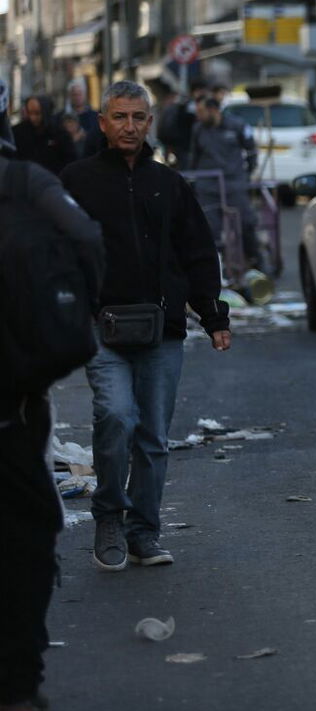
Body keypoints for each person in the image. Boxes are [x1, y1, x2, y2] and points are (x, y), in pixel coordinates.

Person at [61, 80, 232, 572]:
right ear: (103, 122)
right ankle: (109, 517)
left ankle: (143, 533)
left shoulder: (169, 184)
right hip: (102, 328)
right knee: (115, 417)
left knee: (153, 436)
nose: (129, 126)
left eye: (138, 117)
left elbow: (198, 253)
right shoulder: (77, 180)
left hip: (163, 329)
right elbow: (56, 252)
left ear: (149, 123)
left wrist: (213, 315)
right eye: (120, 117)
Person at [0, 93, 104, 711]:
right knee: (24, 538)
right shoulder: (22, 182)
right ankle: (14, 687)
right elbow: (86, 243)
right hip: (11, 401)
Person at [189, 95, 261, 270]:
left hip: (233, 184)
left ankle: (255, 261)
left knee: (246, 223)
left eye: (201, 112)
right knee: (210, 230)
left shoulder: (237, 126)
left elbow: (251, 150)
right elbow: (194, 158)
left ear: (213, 110)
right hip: (208, 187)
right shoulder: (198, 129)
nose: (198, 116)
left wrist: (247, 173)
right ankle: (216, 268)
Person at [13, 95, 77, 175]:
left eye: (37, 113)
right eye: (30, 113)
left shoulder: (59, 133)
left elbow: (70, 161)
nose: (33, 118)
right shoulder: (18, 132)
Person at [67, 79, 102, 157]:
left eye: (79, 94)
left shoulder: (95, 116)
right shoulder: (64, 117)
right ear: (70, 96)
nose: (77, 97)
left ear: (84, 95)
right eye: (74, 94)